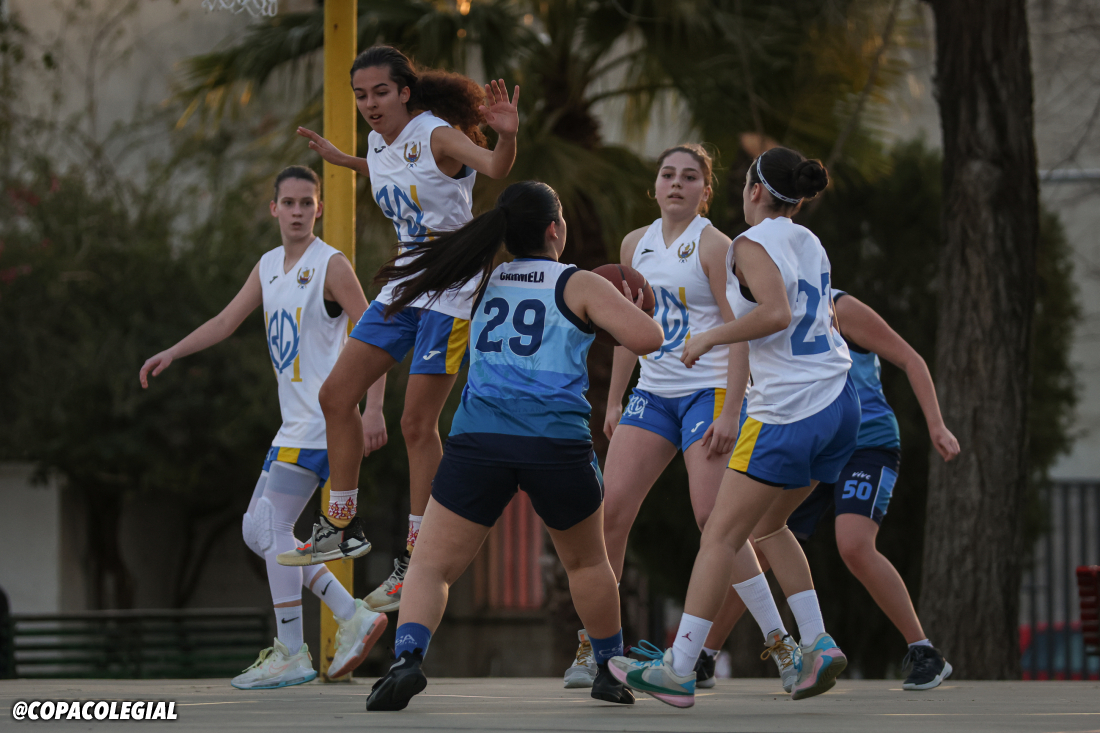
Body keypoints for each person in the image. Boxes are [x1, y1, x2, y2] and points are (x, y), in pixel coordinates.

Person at [357, 181, 663, 711]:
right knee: (588, 564)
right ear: (554, 229)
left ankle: (406, 659)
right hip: (555, 444)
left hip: (480, 440)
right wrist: (626, 304)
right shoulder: (579, 283)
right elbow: (648, 339)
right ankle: (609, 670)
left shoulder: (479, 279)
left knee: (430, 565)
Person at [609, 147, 856, 707]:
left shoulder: (744, 244)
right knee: (767, 525)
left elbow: (775, 313)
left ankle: (680, 668)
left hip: (790, 410)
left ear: (751, 190)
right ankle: (816, 641)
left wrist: (709, 339)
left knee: (719, 532)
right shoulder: (808, 240)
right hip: (839, 400)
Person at [284, 47, 519, 615]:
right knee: (335, 396)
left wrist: (508, 135)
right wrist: (343, 159)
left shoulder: (437, 133)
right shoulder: (376, 141)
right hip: (407, 282)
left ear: (405, 92)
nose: (369, 104)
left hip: (453, 284)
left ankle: (417, 554)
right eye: (360, 95)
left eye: (381, 92)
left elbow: (495, 168)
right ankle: (341, 522)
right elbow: (387, 169)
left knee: (416, 424)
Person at [139, 166, 388, 689]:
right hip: (290, 425)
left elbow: (377, 336)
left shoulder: (331, 265)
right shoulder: (269, 265)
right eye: (288, 202)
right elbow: (225, 321)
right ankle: (353, 614)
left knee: (272, 526)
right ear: (273, 208)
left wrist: (374, 408)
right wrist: (172, 352)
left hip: (321, 423)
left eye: (306, 202)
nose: (297, 211)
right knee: (259, 531)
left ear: (318, 209)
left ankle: (292, 650)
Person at [563, 145, 795, 692]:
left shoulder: (716, 246)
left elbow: (739, 332)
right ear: (655, 185)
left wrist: (732, 409)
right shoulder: (634, 245)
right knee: (609, 513)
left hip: (708, 390)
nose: (676, 183)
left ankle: (783, 646)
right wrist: (615, 399)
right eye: (668, 174)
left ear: (705, 191)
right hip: (654, 392)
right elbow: (628, 326)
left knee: (714, 517)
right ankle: (596, 648)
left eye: (689, 177)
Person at [737, 291, 958, 689]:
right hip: (816, 442)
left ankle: (924, 650)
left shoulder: (840, 306)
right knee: (757, 544)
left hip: (866, 444)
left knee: (854, 545)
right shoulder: (770, 314)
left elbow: (911, 359)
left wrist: (937, 425)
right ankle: (703, 655)